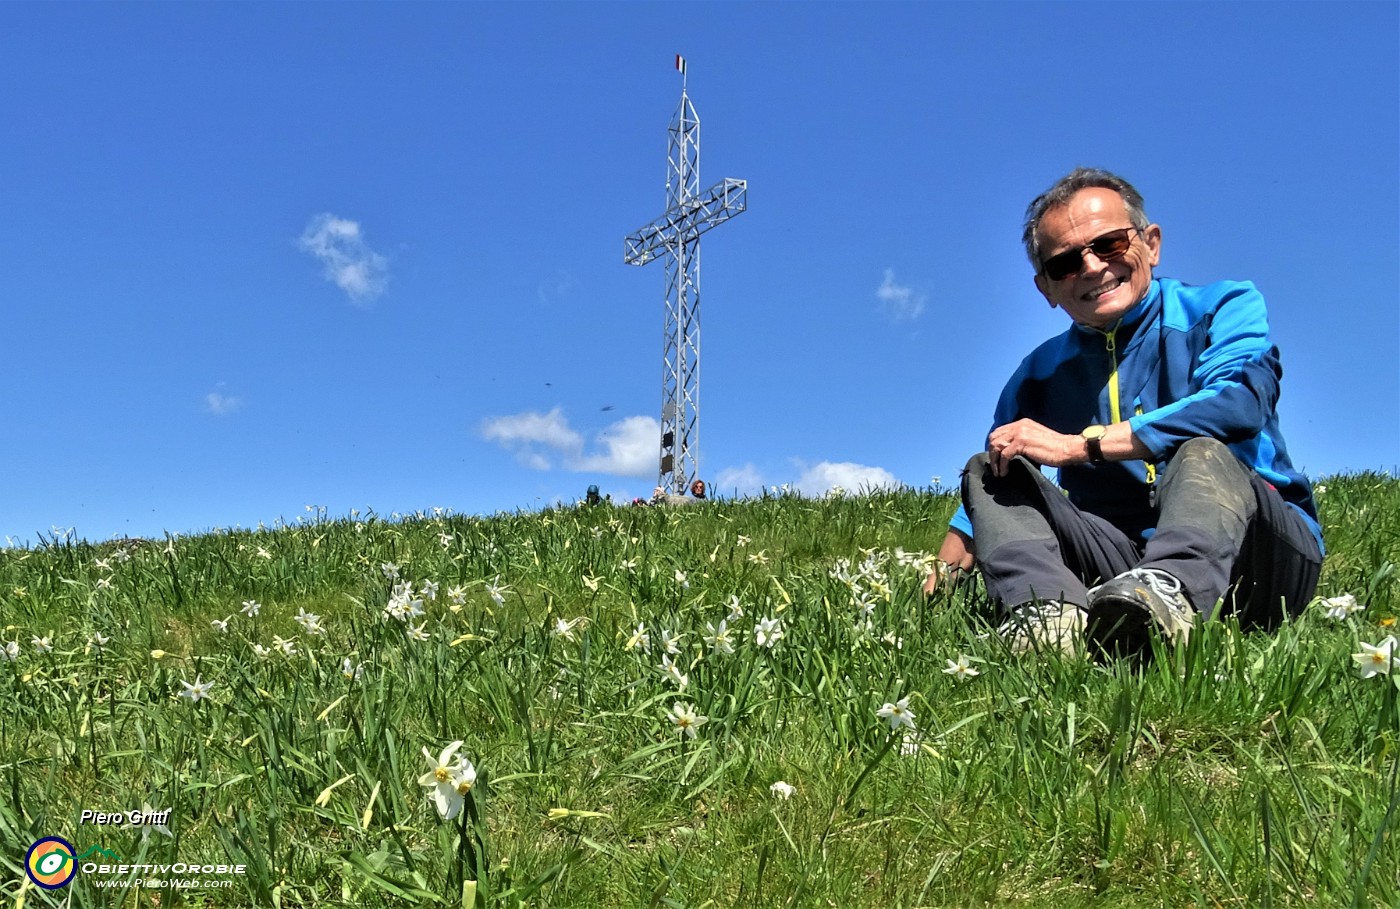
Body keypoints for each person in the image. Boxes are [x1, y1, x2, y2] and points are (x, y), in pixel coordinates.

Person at [926, 167, 1323, 659]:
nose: (1092, 268)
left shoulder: (1223, 306)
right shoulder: (1038, 373)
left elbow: (1236, 405)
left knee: (1202, 451)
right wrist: (939, 581)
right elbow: (993, 489)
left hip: (1259, 558)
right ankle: (1046, 616)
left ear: (1151, 244)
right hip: (1117, 561)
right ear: (1046, 289)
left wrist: (1082, 445)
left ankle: (1168, 596)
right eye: (1066, 263)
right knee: (990, 469)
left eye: (1109, 244)